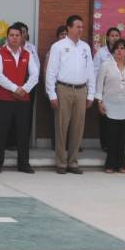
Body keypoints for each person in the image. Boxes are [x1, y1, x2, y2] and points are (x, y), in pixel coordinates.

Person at [45, 15, 96, 174]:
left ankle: (73, 161)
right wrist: (51, 94)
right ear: (68, 28)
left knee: (78, 127)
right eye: (77, 26)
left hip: (81, 90)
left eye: (82, 26)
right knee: (61, 126)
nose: (80, 29)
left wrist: (91, 94)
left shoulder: (85, 47)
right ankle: (61, 162)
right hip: (63, 89)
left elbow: (90, 71)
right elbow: (51, 71)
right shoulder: (58, 46)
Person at [0, 22, 38, 173]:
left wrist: (25, 89)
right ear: (7, 37)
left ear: (22, 37)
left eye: (17, 35)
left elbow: (35, 74)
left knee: (23, 132)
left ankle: (24, 164)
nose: (15, 38)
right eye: (11, 35)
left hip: (23, 99)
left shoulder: (27, 54)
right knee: (0, 131)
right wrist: (15, 88)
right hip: (4, 99)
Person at [94, 38, 125, 173]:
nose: (119, 50)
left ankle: (121, 164)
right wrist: (99, 102)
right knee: (111, 135)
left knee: (122, 136)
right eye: (117, 48)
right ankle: (110, 164)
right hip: (109, 104)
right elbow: (99, 85)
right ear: (113, 51)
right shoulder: (106, 65)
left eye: (122, 48)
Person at [93, 26, 122, 152]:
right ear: (107, 38)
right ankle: (105, 144)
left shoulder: (124, 52)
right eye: (112, 35)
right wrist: (96, 92)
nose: (114, 37)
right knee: (106, 118)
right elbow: (94, 71)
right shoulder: (101, 53)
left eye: (117, 35)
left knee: (119, 118)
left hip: (121, 92)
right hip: (105, 91)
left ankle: (117, 144)